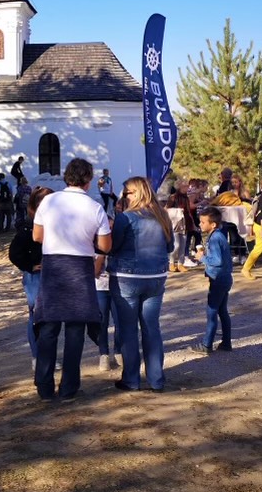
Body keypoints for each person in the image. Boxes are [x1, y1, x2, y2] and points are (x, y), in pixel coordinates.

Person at [32, 158, 112, 402]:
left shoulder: (49, 200)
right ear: (88, 181)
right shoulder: (95, 206)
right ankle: (68, 388)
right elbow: (105, 246)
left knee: (48, 328)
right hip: (80, 266)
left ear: (67, 177)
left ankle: (44, 387)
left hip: (54, 265)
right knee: (75, 330)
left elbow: (37, 236)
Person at [107, 176, 173, 392]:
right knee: (151, 328)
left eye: (126, 193)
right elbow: (170, 247)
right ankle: (156, 379)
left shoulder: (126, 218)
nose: (123, 196)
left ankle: (132, 380)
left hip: (127, 278)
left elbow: (113, 247)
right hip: (155, 278)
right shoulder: (163, 216)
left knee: (128, 330)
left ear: (137, 193)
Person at [8, 187, 53, 371]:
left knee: (51, 319)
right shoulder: (28, 226)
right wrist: (30, 265)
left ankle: (47, 357)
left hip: (53, 275)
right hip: (35, 277)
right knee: (36, 317)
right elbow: (14, 253)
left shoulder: (56, 224)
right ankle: (37, 357)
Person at [192, 209, 233, 354]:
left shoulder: (215, 238)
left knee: (212, 311)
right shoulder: (218, 235)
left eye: (203, 222)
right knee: (222, 311)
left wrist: (201, 257)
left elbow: (217, 261)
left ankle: (206, 344)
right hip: (225, 278)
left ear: (213, 224)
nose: (200, 224)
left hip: (218, 279)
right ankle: (226, 343)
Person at [93, 253, 121, 372]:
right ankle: (103, 353)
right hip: (99, 285)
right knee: (102, 322)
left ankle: (118, 351)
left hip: (119, 283)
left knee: (120, 320)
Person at [166, 179, 195, 272]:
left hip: (185, 223)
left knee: (183, 244)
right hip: (175, 223)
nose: (187, 188)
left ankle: (180, 264)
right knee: (176, 244)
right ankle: (171, 263)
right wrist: (177, 211)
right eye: (185, 186)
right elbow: (167, 209)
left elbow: (188, 211)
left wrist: (192, 223)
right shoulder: (173, 197)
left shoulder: (186, 198)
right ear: (179, 186)